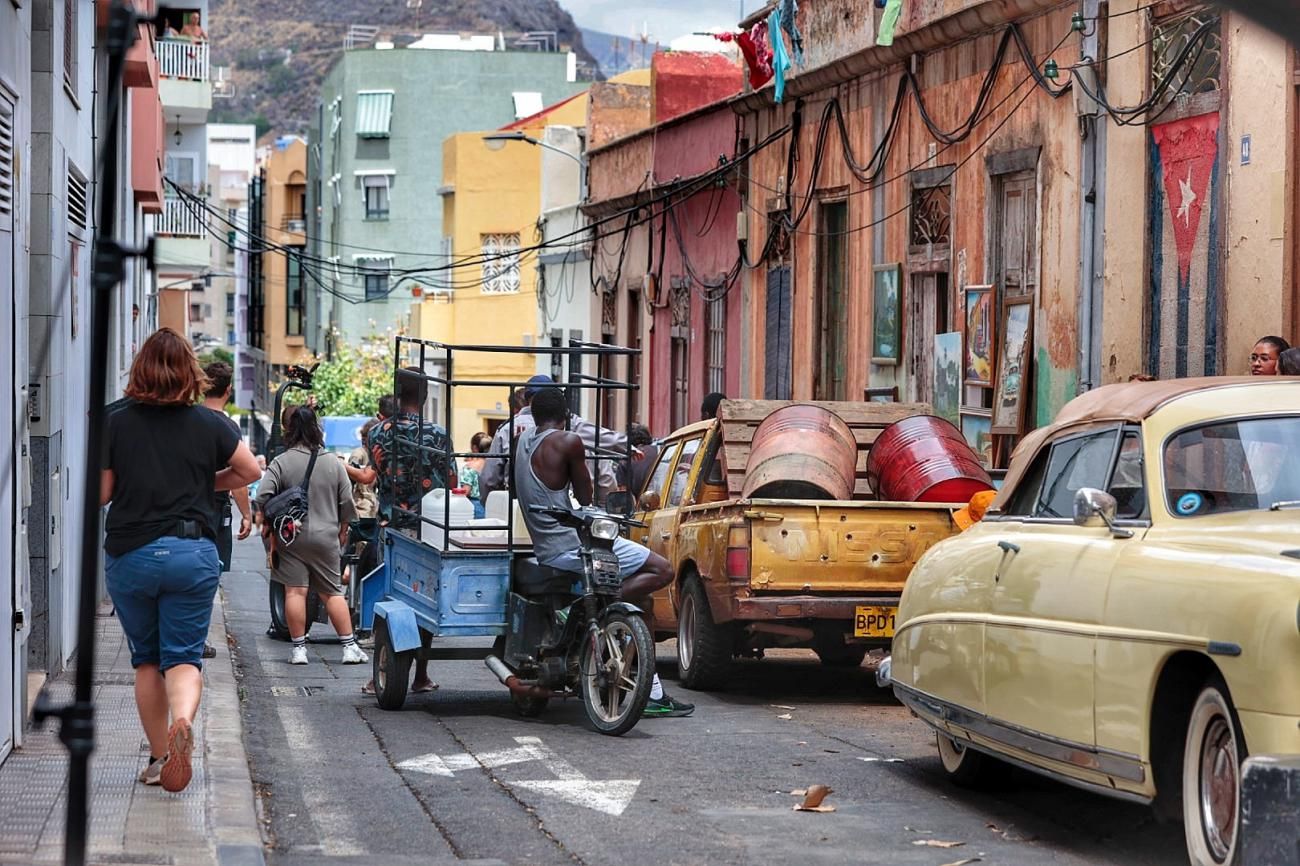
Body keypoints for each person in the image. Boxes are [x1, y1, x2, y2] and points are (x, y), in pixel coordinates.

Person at [101, 328, 261, 792]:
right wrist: (199, 485)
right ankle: (184, 720)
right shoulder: (210, 424)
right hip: (192, 554)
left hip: (131, 553)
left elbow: (105, 493)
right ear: (190, 372)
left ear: (140, 368)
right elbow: (249, 471)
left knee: (147, 661)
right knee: (185, 659)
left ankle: (158, 757)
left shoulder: (114, 420)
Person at [515, 388, 694, 718]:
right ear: (566, 414)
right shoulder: (567, 441)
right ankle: (588, 608)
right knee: (662, 569)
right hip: (571, 545)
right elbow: (585, 495)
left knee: (642, 601)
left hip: (546, 546)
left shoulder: (523, 442)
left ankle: (644, 678)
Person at [363, 367, 456, 695]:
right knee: (425, 602)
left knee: (386, 598)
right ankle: (420, 675)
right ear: (425, 393)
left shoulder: (377, 433)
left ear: (397, 392)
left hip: (388, 529)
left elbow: (376, 473)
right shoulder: (438, 434)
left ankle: (380, 672)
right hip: (426, 530)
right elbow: (453, 483)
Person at [256, 405, 368, 667]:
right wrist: (342, 529)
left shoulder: (281, 462)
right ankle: (349, 647)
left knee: (295, 592)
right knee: (332, 592)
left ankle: (298, 651)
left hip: (291, 536)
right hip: (326, 535)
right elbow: (346, 503)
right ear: (316, 429)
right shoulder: (332, 461)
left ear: (289, 430)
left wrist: (271, 518)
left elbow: (262, 495)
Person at [481, 375, 636, 503]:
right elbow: (604, 442)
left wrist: (490, 505)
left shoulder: (507, 429)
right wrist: (629, 446)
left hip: (519, 505)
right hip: (567, 506)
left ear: (528, 399)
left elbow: (489, 478)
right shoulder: (571, 424)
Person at [458, 431, 492, 518]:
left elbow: (466, 491)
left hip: (475, 506)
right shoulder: (494, 465)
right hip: (492, 505)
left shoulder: (470, 467)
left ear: (474, 448)